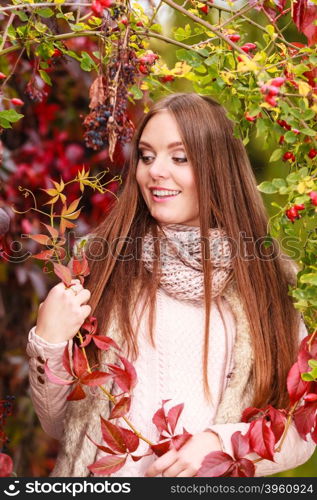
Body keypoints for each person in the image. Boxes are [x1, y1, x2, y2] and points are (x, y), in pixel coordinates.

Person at [26, 92, 316, 477]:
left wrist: (220, 445)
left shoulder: (268, 283)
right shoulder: (103, 267)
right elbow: (61, 425)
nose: (155, 171)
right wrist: (49, 343)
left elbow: (301, 427)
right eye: (147, 156)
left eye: (179, 158)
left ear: (218, 168)